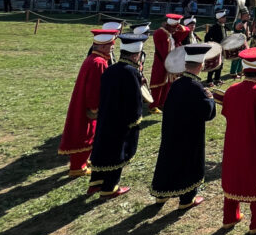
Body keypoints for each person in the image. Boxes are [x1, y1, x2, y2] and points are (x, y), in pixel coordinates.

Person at [219, 46, 256, 233]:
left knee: (233, 177)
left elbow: (227, 112)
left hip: (234, 144)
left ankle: (230, 217)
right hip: (254, 146)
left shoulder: (231, 89)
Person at [150, 44, 217, 208]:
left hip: (172, 132)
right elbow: (208, 113)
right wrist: (210, 99)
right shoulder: (197, 88)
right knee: (189, 163)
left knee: (168, 160)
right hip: (189, 136)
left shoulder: (176, 84)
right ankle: (187, 199)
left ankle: (161, 193)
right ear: (200, 66)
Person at [87, 32, 146, 199]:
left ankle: (95, 182)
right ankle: (110, 187)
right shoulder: (131, 72)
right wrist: (135, 121)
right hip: (120, 122)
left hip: (106, 117)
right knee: (116, 153)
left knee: (102, 149)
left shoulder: (111, 69)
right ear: (136, 55)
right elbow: (134, 101)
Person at [59, 29, 117, 178]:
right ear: (103, 47)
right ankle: (77, 168)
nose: (113, 48)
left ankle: (83, 162)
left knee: (88, 132)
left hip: (83, 102)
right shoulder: (98, 63)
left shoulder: (94, 59)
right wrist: (95, 108)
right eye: (111, 46)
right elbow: (94, 88)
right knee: (85, 133)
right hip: (88, 106)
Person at [149, 13, 184, 111]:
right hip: (161, 62)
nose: (176, 30)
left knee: (167, 84)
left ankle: (162, 103)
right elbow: (163, 50)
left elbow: (185, 31)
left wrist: (178, 25)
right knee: (158, 83)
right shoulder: (161, 33)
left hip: (171, 61)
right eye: (174, 27)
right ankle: (153, 105)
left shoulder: (172, 34)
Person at [203, 10, 228, 85]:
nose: (225, 18)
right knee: (213, 64)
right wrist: (213, 45)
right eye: (224, 17)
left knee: (220, 64)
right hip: (216, 49)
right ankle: (209, 80)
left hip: (222, 48)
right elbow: (206, 38)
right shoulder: (214, 27)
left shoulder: (224, 26)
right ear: (219, 18)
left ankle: (217, 78)